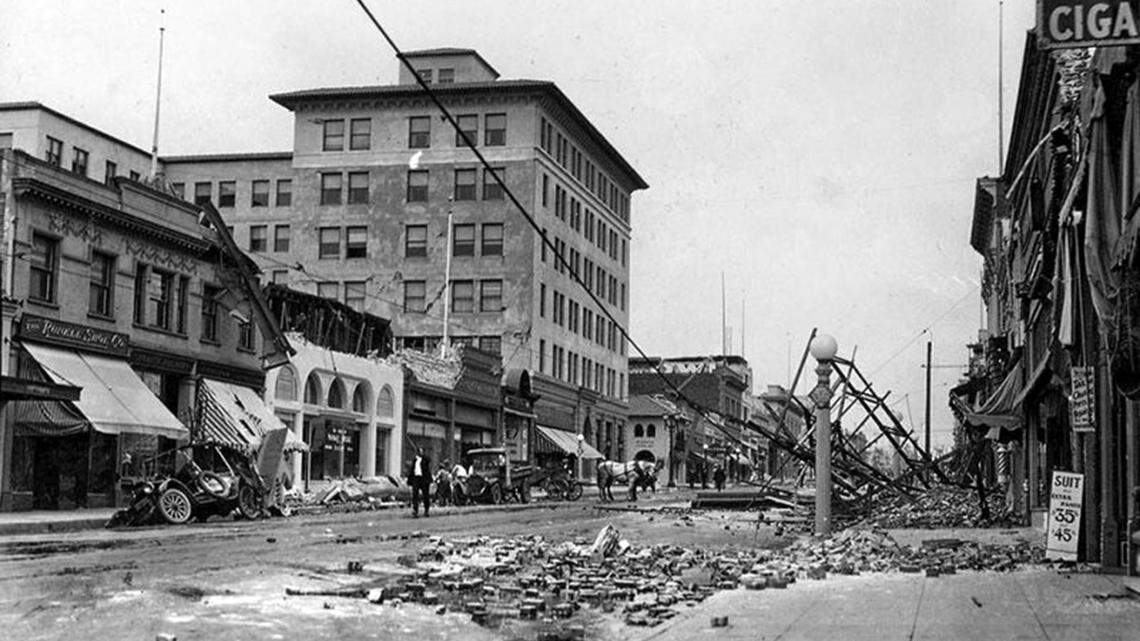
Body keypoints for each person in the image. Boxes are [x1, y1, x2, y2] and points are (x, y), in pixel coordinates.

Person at [406, 446, 432, 517]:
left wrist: (422, 457)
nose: (420, 453)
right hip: (416, 478)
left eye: (421, 451)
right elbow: (412, 470)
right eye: (419, 451)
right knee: (415, 494)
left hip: (424, 478)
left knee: (425, 495)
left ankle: (426, 510)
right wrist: (409, 480)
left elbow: (428, 460)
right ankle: (415, 510)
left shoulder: (425, 459)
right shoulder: (415, 460)